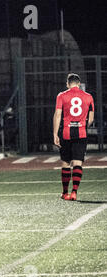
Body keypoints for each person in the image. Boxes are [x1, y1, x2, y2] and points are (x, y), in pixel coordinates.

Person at [53, 73, 95, 201]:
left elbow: (57, 115)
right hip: (81, 132)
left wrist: (55, 133)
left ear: (67, 84)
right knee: (78, 162)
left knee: (66, 162)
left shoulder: (61, 96)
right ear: (78, 83)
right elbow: (91, 119)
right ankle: (74, 192)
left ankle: (65, 193)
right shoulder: (88, 97)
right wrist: (82, 124)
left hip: (66, 132)